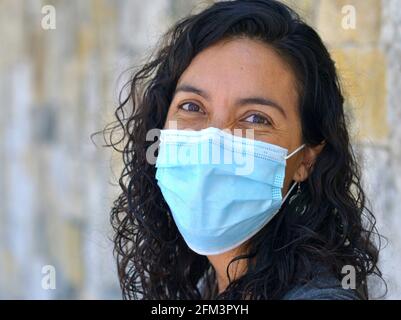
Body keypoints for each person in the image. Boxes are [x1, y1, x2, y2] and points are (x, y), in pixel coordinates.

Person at [102, 0, 383, 300]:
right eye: (192, 106)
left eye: (255, 118)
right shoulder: (206, 286)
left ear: (306, 158)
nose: (212, 141)